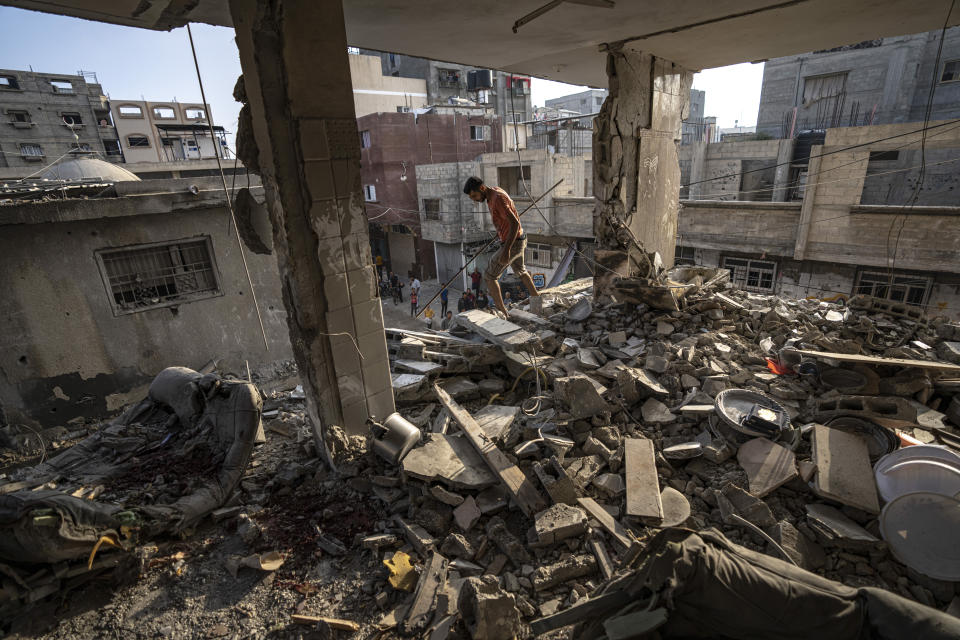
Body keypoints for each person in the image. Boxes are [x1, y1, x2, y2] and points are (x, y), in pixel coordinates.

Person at [463, 176, 540, 318]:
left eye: (474, 195)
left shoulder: (497, 198)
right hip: (518, 239)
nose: (474, 199)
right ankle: (537, 305)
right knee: (521, 271)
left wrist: (506, 250)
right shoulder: (493, 194)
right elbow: (506, 222)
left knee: (490, 276)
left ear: (481, 188)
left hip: (513, 243)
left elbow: (515, 224)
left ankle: (503, 313)